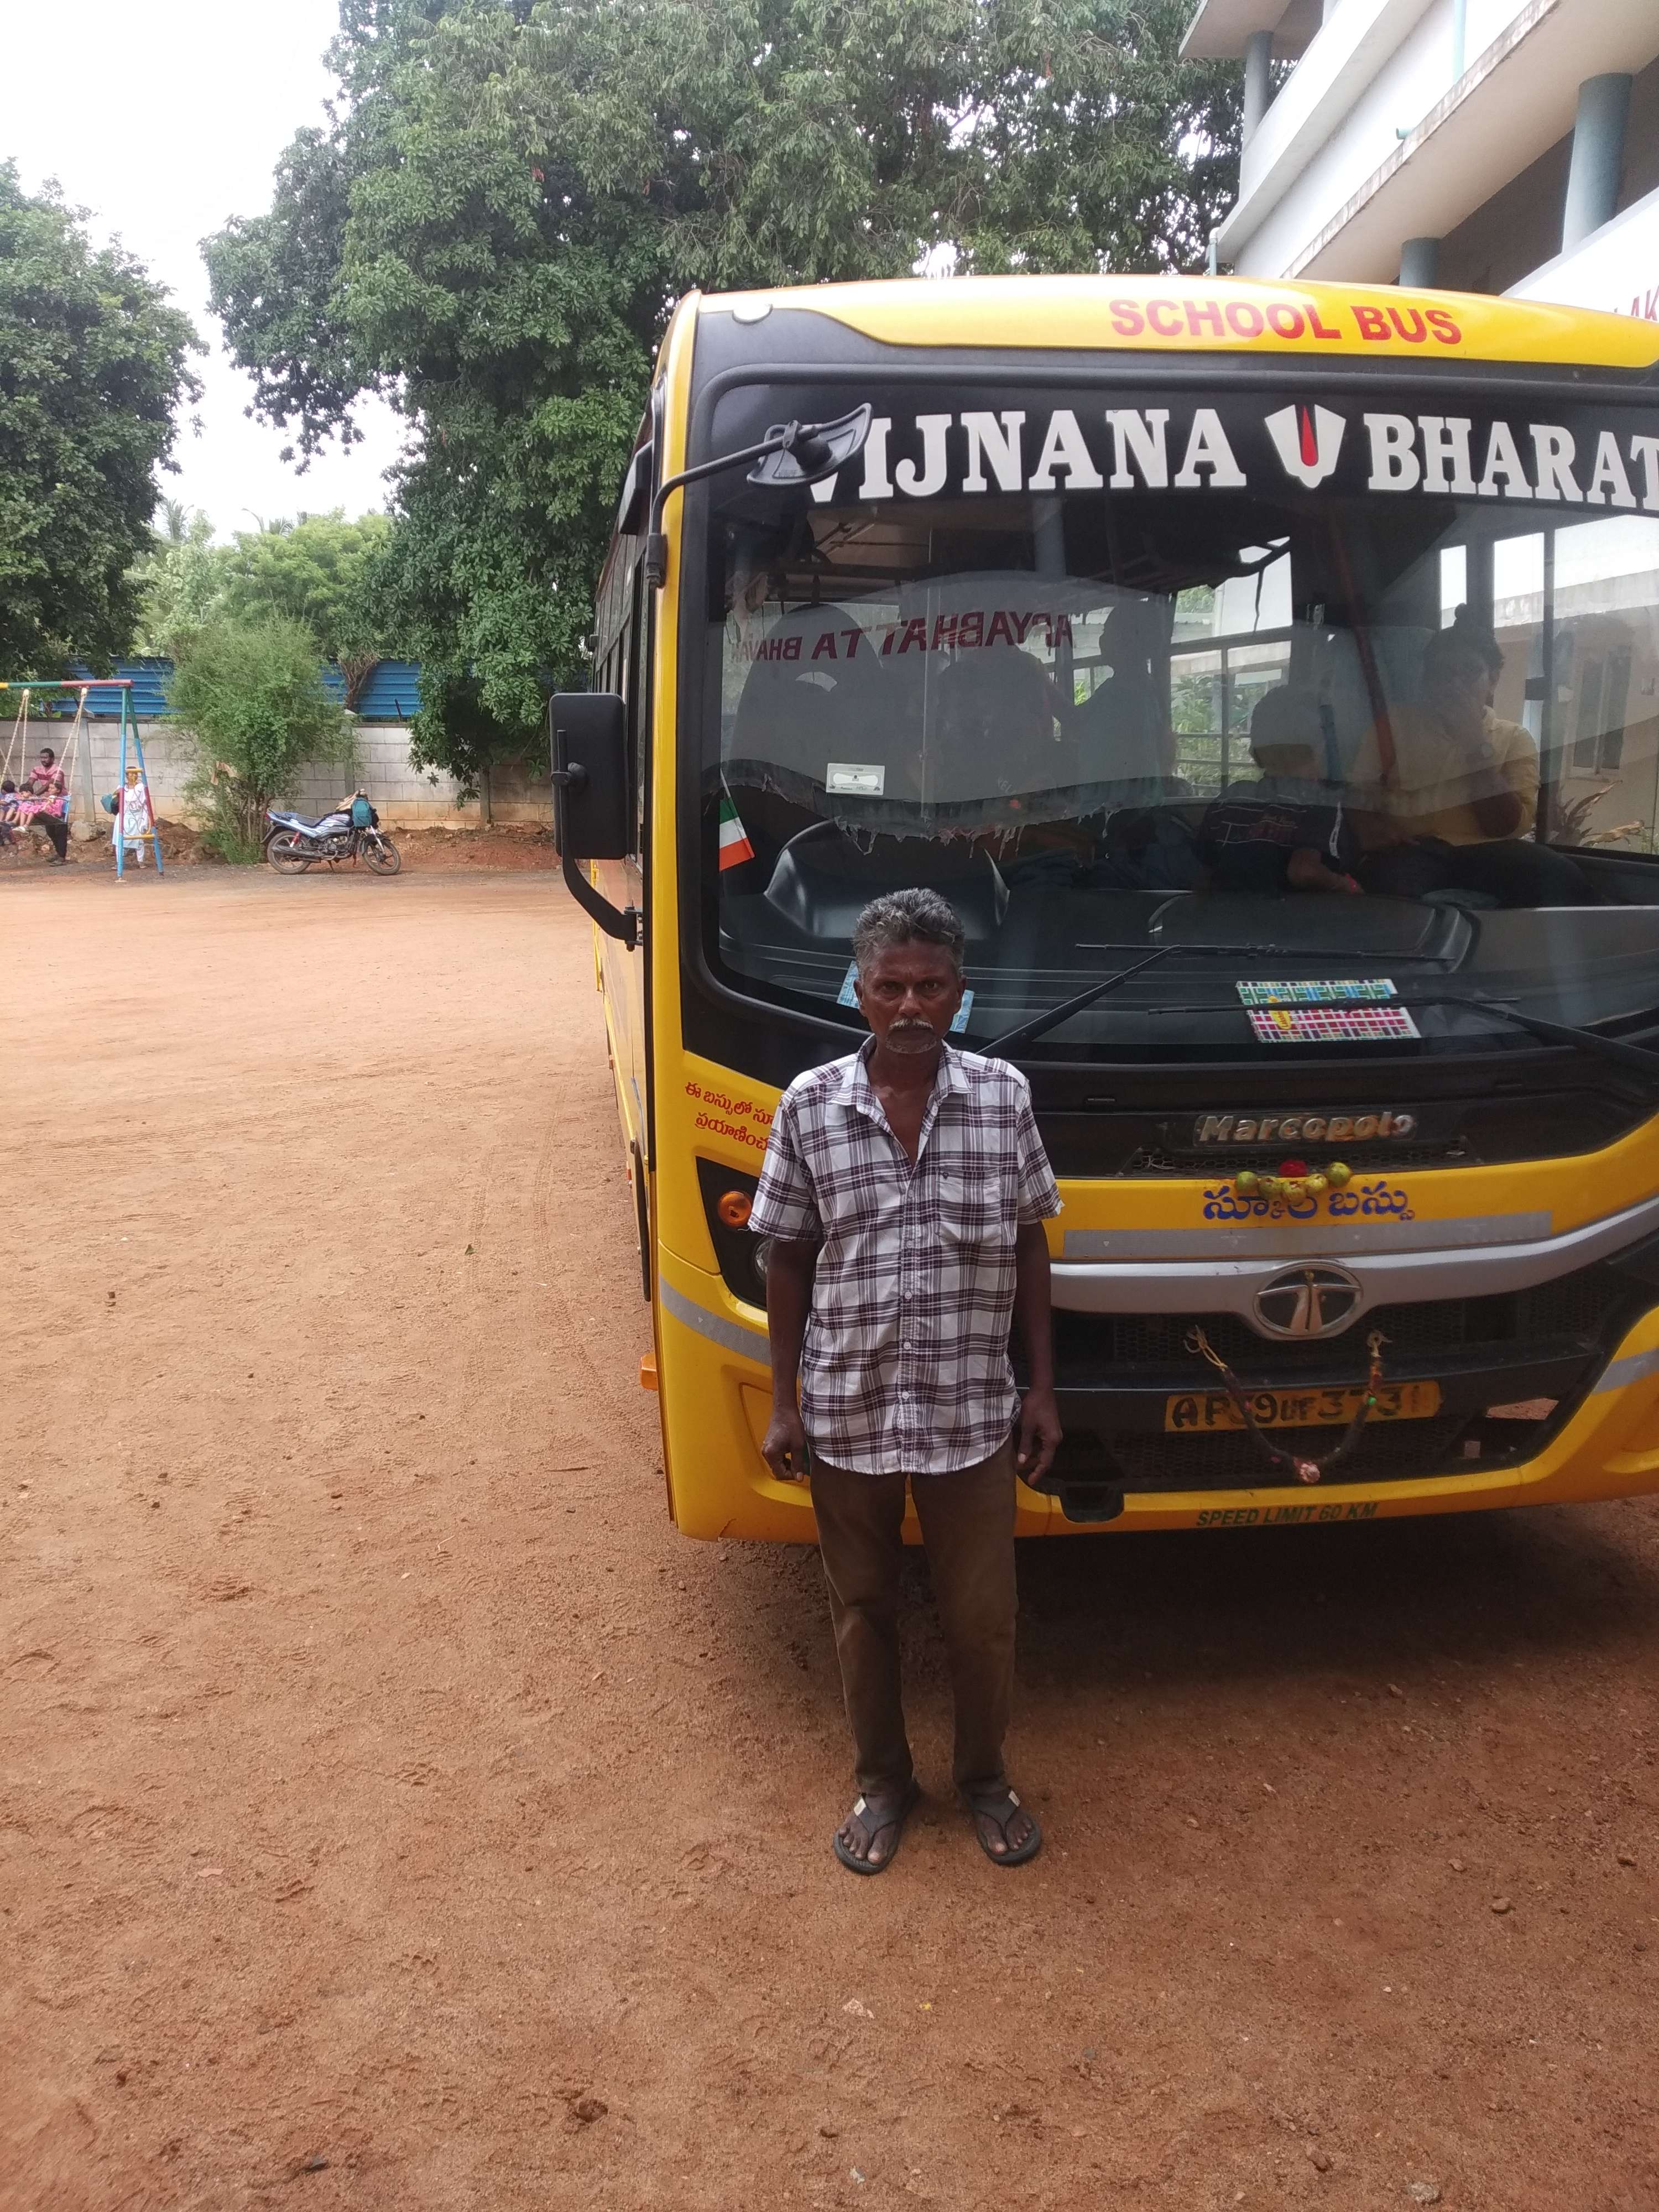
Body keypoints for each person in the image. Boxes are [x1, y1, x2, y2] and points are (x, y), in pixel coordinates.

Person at [749, 887, 1063, 1875]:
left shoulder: (1004, 1098)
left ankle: (984, 1777)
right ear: (859, 991)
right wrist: (785, 1403)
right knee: (862, 1610)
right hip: (848, 1408)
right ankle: (883, 1782)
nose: (912, 1006)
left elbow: (1030, 1244)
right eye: (891, 987)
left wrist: (1042, 1389)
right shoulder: (810, 1105)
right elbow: (786, 1257)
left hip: (971, 1412)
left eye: (931, 986)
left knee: (982, 1618)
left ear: (961, 991)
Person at [1349, 613, 1591, 906]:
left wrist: (1474, 742)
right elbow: (1358, 792)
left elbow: (1505, 827)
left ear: (1493, 680)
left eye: (1469, 672)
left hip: (1489, 851)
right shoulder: (1394, 726)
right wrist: (1368, 827)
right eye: (1443, 674)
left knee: (1562, 878)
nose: (1455, 684)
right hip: (1411, 848)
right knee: (1388, 892)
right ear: (1428, 681)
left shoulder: (1515, 738)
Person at [1198, 685, 1360, 897]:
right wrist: (1348, 887)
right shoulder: (1320, 801)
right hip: (1287, 917)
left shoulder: (1232, 797)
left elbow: (1203, 877)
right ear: (1319, 746)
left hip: (1221, 914)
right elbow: (1304, 872)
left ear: (1256, 751)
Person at [16, 747, 69, 863]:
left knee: (60, 829)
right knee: (50, 831)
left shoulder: (58, 771)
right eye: (42, 758)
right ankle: (59, 853)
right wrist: (24, 792)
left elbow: (47, 786)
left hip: (60, 802)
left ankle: (62, 857)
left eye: (46, 758)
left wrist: (33, 796)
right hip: (47, 802)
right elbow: (30, 783)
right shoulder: (37, 769)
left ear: (52, 759)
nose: (43, 760)